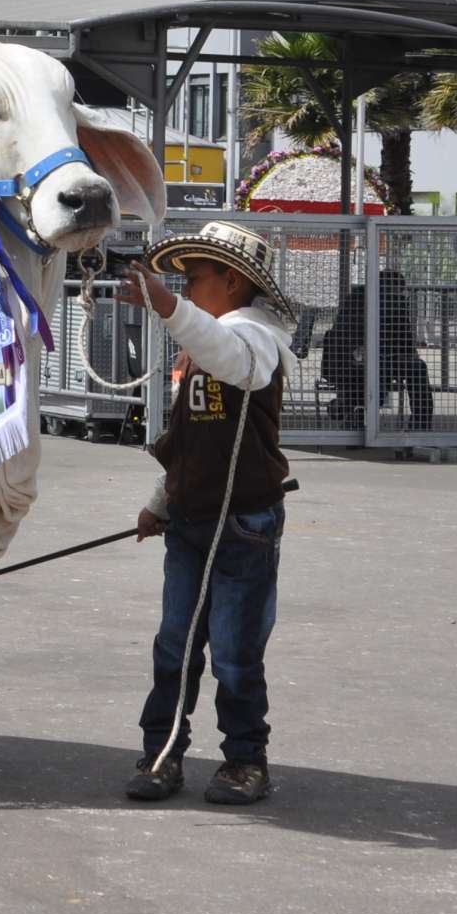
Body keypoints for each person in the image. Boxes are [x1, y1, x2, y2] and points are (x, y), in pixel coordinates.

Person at [119, 221, 294, 806]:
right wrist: (159, 503)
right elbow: (188, 438)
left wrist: (167, 305)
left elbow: (236, 361)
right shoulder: (207, 339)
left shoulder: (254, 337)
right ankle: (162, 752)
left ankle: (246, 760)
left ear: (235, 280)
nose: (187, 286)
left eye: (196, 278)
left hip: (245, 524)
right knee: (175, 644)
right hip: (192, 520)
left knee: (235, 652)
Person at [317, 268, 435, 429]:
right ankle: (421, 425)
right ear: (396, 288)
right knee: (417, 368)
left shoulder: (353, 298)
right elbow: (405, 341)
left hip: (343, 364)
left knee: (369, 371)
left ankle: (352, 412)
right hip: (378, 363)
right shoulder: (396, 303)